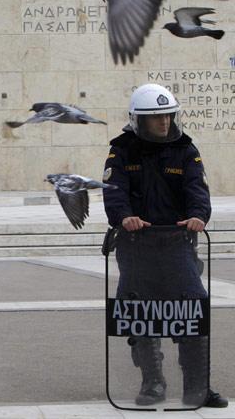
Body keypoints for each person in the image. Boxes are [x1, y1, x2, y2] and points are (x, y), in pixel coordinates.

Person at [102, 83, 227, 408]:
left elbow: (197, 188)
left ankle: (197, 387)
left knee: (192, 312)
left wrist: (199, 215)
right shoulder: (122, 150)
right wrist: (124, 217)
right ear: (139, 121)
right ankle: (153, 383)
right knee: (138, 312)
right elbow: (114, 189)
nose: (165, 123)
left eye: (168, 116)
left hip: (177, 245)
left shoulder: (186, 150)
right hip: (137, 245)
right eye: (157, 118)